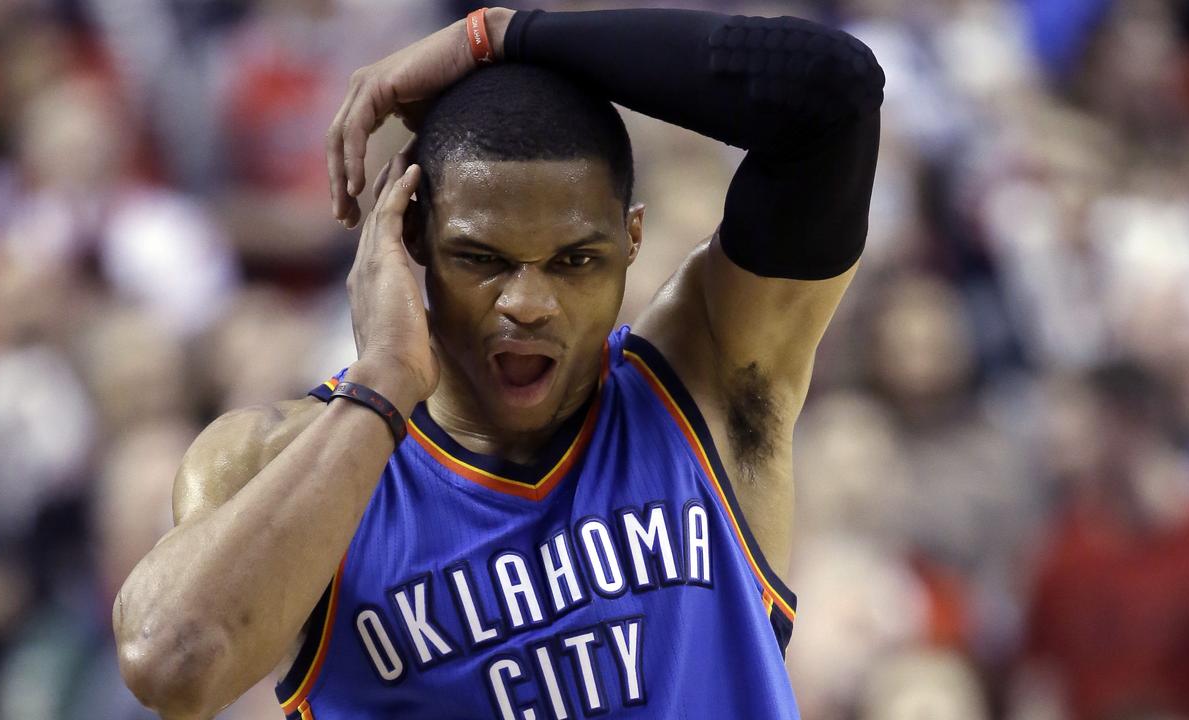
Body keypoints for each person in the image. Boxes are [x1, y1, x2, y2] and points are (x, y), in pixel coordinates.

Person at [113, 7, 883, 719]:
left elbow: (834, 97)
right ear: (408, 243)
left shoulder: (704, 385)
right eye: (481, 258)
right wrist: (385, 380)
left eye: (576, 260)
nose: (529, 302)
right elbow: (174, 664)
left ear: (633, 241)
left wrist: (498, 35)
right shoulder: (274, 458)